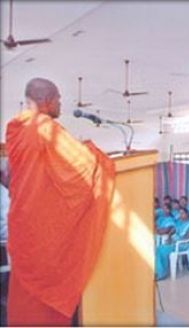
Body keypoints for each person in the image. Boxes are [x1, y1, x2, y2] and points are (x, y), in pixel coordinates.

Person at [6, 78, 115, 325]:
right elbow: (83, 167)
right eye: (58, 99)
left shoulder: (15, 129)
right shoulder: (46, 129)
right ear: (46, 100)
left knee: (24, 294)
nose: (60, 104)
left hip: (22, 223)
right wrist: (96, 153)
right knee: (44, 302)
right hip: (42, 230)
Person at [155, 207, 189, 280]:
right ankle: (160, 271)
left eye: (182, 213)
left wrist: (175, 240)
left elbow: (187, 237)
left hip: (182, 245)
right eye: (180, 213)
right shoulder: (179, 222)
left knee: (161, 250)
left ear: (186, 214)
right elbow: (173, 230)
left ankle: (161, 274)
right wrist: (170, 236)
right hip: (174, 243)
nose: (181, 215)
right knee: (158, 248)